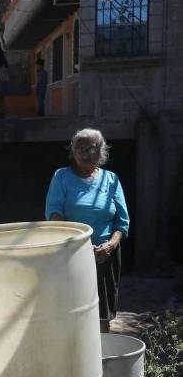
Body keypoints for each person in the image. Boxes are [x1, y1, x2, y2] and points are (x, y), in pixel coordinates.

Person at [45, 128, 130, 332]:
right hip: (70, 253)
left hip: (105, 254)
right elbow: (54, 214)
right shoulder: (62, 177)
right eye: (79, 148)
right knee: (72, 310)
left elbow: (122, 222)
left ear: (101, 152)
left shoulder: (111, 179)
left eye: (90, 148)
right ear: (73, 152)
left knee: (102, 315)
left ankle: (101, 357)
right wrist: (80, 243)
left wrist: (109, 246)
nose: (84, 153)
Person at [0, 49, 10, 119]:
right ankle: (2, 112)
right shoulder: (5, 63)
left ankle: (0, 113)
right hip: (4, 82)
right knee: (1, 99)